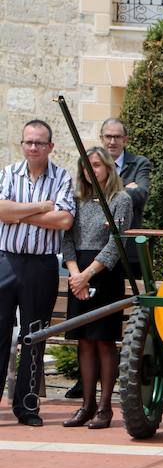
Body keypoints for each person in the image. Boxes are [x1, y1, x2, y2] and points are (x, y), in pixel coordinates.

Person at [0, 120, 75, 426]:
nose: (33, 147)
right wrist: (42, 207)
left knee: (34, 336)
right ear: (22, 144)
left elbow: (64, 220)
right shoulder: (8, 173)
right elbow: (0, 211)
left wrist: (19, 212)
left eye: (39, 143)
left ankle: (27, 406)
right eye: (28, 142)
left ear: (50, 147)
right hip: (6, 262)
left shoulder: (62, 177)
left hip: (42, 266)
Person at [61, 147, 133, 429]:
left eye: (97, 165)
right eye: (86, 166)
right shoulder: (77, 199)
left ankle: (105, 408)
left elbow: (116, 243)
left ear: (108, 167)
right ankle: (86, 405)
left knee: (104, 340)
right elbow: (67, 239)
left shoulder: (120, 199)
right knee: (84, 340)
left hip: (105, 274)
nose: (91, 171)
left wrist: (88, 275)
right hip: (78, 271)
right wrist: (75, 275)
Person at [99, 118, 150, 276]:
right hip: (97, 247)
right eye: (108, 136)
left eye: (117, 137)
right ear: (101, 138)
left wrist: (104, 194)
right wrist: (125, 189)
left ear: (125, 140)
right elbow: (88, 196)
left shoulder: (139, 163)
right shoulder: (92, 163)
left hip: (128, 251)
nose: (112, 142)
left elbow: (141, 194)